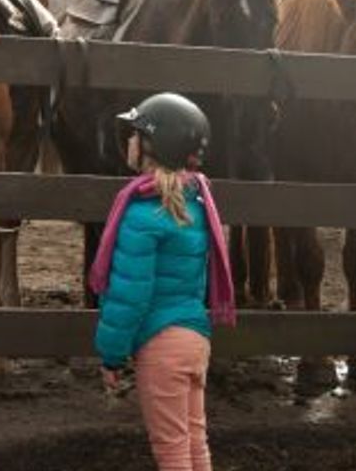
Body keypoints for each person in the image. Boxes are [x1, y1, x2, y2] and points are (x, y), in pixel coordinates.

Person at [90, 92, 236, 471]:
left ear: (155, 146)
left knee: (170, 450)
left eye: (136, 134)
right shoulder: (195, 205)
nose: (130, 141)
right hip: (195, 339)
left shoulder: (142, 214)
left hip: (160, 345)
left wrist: (111, 354)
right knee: (194, 441)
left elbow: (128, 296)